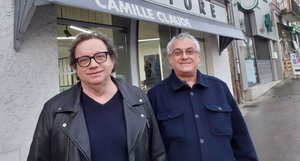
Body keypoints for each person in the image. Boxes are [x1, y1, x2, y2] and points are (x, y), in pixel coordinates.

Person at [27, 31, 166, 161]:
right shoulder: (54, 109)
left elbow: (157, 153)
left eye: (100, 56)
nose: (93, 65)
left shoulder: (139, 99)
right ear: (75, 67)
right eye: (83, 59)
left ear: (112, 60)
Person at [147, 32, 258, 161]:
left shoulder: (220, 88)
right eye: (177, 53)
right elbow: (152, 147)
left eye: (190, 51)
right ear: (170, 59)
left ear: (198, 56)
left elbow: (241, 137)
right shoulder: (155, 95)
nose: (184, 56)